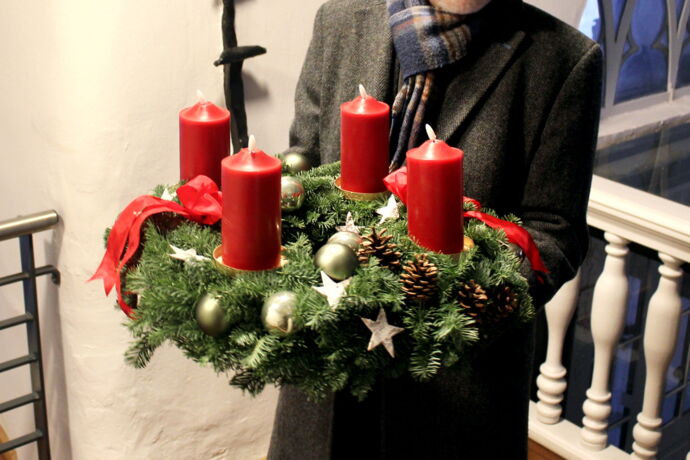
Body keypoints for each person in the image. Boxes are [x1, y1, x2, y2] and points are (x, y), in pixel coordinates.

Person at [268, 0, 603, 458]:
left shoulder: (565, 59)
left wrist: (458, 307)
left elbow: (556, 232)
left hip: (459, 382)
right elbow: (303, 167)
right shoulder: (340, 21)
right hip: (327, 363)